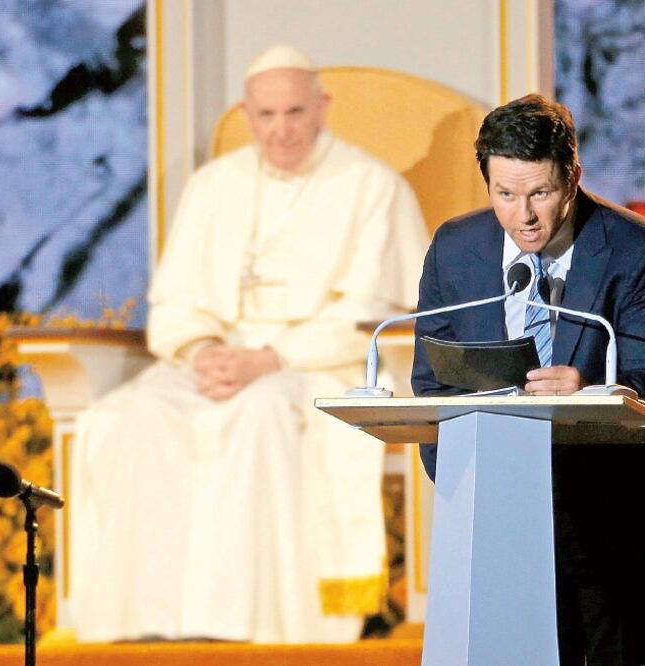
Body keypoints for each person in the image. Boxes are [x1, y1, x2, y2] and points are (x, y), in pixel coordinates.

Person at [68, 45, 429, 643]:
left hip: (319, 366)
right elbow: (178, 302)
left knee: (259, 416)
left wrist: (269, 359)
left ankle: (259, 624)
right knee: (135, 416)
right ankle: (146, 622)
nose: (281, 130)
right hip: (215, 361)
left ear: (322, 107)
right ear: (247, 114)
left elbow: (376, 313)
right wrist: (203, 350)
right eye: (266, 116)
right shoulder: (214, 186)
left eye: (295, 112)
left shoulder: (371, 187)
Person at [411, 94, 645, 666]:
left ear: (573, 177)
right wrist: (469, 487)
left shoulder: (637, 250)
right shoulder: (456, 250)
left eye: (539, 194)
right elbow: (433, 386)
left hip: (609, 510)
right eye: (504, 194)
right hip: (495, 516)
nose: (522, 215)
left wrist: (591, 389)